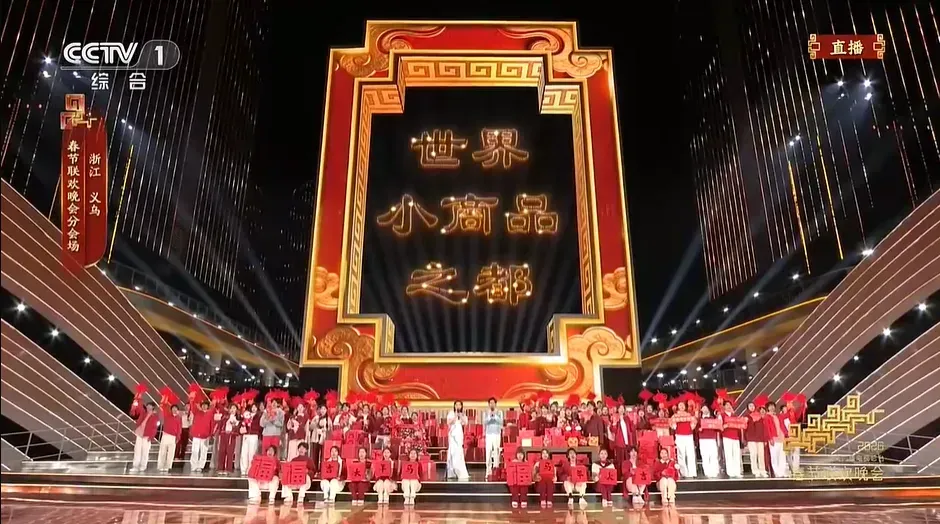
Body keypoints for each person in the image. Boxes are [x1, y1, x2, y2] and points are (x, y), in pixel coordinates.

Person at [670, 401, 697, 478]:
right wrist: (676, 427)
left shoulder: (689, 415)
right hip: (679, 436)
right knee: (681, 454)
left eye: (683, 405)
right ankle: (683, 472)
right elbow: (672, 424)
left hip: (689, 435)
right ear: (678, 407)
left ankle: (692, 472)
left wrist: (690, 428)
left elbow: (694, 423)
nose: (681, 407)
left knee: (690, 454)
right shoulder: (675, 416)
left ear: (685, 407)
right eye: (680, 405)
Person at [130, 402, 158, 473]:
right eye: (147, 406)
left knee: (145, 451)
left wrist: (151, 437)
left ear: (153, 407)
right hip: (140, 434)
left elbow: (154, 428)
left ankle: (143, 466)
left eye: (150, 406)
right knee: (137, 450)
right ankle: (135, 466)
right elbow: (136, 414)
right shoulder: (143, 413)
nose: (148, 407)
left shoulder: (154, 416)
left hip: (147, 436)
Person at [445, 401, 470, 481]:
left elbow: (465, 423)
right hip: (452, 435)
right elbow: (449, 422)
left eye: (459, 405)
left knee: (459, 452)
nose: (458, 406)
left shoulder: (463, 414)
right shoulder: (451, 413)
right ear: (454, 406)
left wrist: (461, 416)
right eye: (456, 405)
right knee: (453, 452)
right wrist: (455, 416)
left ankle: (460, 471)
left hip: (459, 434)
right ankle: (452, 472)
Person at [766, 402, 789, 477]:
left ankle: (782, 471)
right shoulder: (767, 417)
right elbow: (768, 428)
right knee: (774, 456)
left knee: (782, 455)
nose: (772, 408)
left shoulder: (777, 416)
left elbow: (783, 422)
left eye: (773, 406)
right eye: (770, 406)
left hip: (780, 437)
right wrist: (770, 438)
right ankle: (776, 471)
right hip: (773, 438)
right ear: (767, 408)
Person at [189, 400, 214, 472]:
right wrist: (192, 400)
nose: (204, 406)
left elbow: (212, 424)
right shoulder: (197, 412)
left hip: (205, 436)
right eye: (203, 405)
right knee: (195, 451)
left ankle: (200, 466)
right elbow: (193, 407)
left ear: (208, 406)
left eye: (206, 405)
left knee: (204, 452)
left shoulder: (210, 414)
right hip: (196, 435)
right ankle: (194, 466)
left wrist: (211, 434)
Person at [745, 402, 768, 477]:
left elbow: (763, 428)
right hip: (751, 438)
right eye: (750, 406)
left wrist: (764, 439)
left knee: (761, 455)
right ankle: (755, 470)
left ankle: (762, 470)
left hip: (760, 438)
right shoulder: (747, 416)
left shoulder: (760, 416)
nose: (752, 407)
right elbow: (744, 427)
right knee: (753, 454)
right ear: (748, 408)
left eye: (753, 406)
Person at [720, 401, 743, 478]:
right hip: (727, 437)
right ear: (724, 407)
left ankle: (737, 471)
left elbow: (739, 426)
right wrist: (725, 426)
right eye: (727, 405)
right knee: (729, 455)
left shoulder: (735, 416)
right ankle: (730, 472)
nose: (729, 406)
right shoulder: (722, 415)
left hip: (735, 437)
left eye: (730, 405)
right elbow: (719, 426)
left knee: (736, 454)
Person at [156, 404, 181, 473]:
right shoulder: (167, 415)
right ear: (171, 409)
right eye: (173, 408)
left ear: (177, 410)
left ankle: (168, 466)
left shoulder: (178, 418)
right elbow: (164, 407)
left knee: (171, 453)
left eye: (176, 408)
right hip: (165, 435)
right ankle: (161, 466)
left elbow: (179, 428)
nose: (174, 410)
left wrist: (178, 437)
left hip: (173, 437)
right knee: (162, 451)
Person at [483, 397, 504, 478]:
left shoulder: (499, 412)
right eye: (490, 403)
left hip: (496, 434)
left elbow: (501, 422)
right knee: (488, 452)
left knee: (496, 452)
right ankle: (488, 471)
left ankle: (496, 470)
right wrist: (489, 416)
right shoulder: (486, 412)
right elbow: (485, 422)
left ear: (495, 404)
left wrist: (495, 416)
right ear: (489, 404)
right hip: (488, 434)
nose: (492, 404)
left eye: (493, 403)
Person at [217, 403, 240, 475]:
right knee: (222, 451)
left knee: (230, 453)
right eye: (231, 408)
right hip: (224, 435)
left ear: (236, 410)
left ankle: (228, 469)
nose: (232, 410)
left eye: (234, 408)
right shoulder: (225, 417)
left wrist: (234, 426)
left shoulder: (238, 419)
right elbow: (221, 425)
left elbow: (238, 430)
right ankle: (220, 468)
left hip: (231, 436)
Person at [698, 406, 721, 478]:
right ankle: (707, 472)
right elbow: (695, 429)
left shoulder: (712, 419)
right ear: (701, 410)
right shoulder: (699, 419)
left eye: (706, 408)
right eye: (703, 408)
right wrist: (699, 429)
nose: (705, 410)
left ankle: (715, 471)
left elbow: (718, 428)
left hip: (712, 439)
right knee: (705, 456)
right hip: (703, 439)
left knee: (713, 455)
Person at [240, 403, 261, 475]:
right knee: (244, 452)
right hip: (246, 435)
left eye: (255, 407)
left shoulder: (258, 416)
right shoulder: (247, 414)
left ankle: (250, 469)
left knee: (252, 453)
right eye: (253, 407)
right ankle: (243, 469)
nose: (254, 408)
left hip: (254, 435)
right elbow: (242, 423)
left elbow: (260, 426)